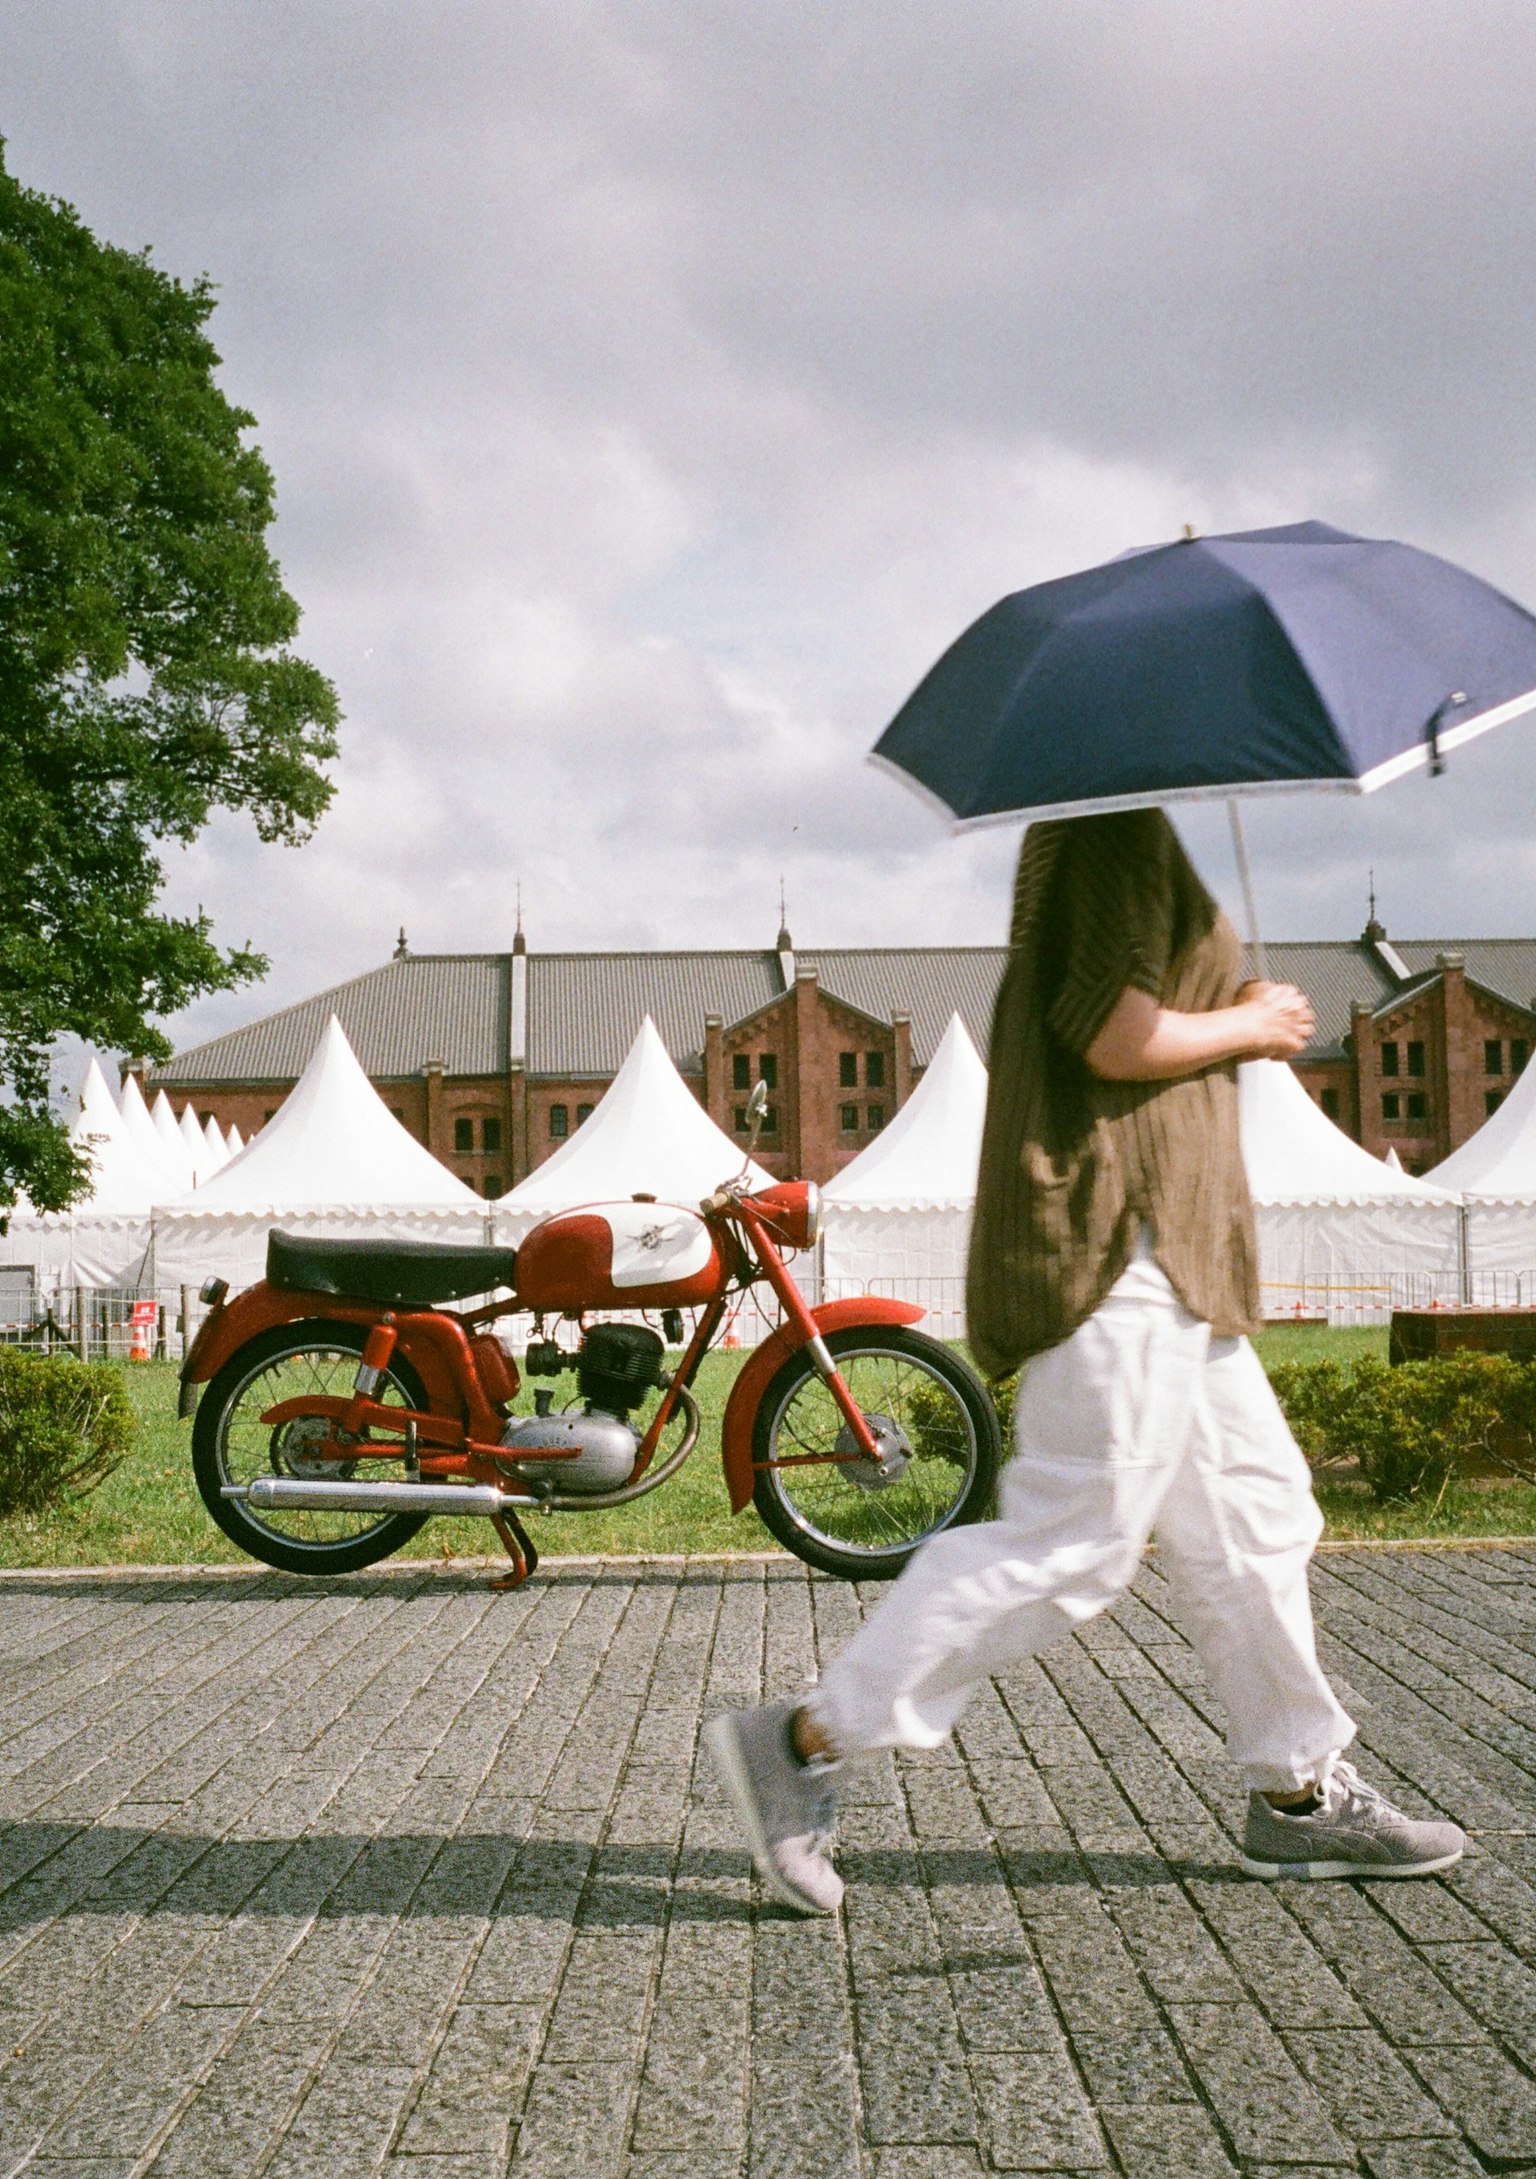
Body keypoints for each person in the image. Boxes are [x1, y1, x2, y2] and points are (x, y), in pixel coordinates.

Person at [706, 808, 1465, 1914]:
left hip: (1176, 1254)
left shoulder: (1119, 831)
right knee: (1074, 1542)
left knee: (1258, 1512)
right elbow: (1115, 1034)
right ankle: (806, 1739)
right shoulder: (1116, 830)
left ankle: (1297, 1794)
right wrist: (1251, 1021)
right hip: (1119, 1245)